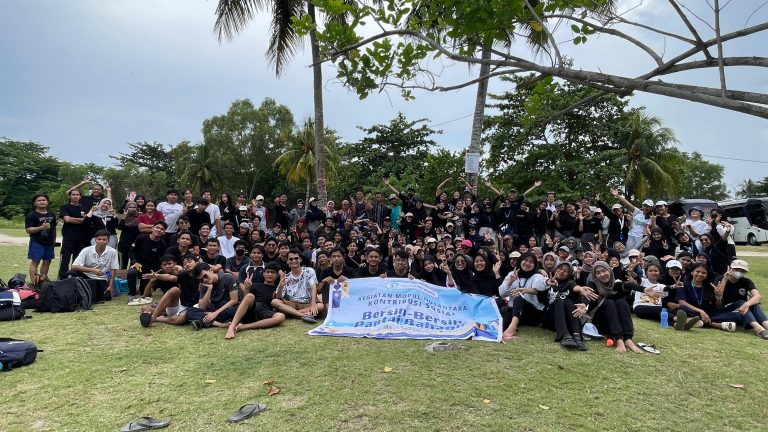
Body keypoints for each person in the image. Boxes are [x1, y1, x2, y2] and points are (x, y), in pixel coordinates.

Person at [225, 262, 286, 339]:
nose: (270, 274)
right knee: (250, 295)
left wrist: (280, 287)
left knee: (281, 316)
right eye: (267, 272)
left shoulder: (277, 288)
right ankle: (232, 326)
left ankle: (243, 327)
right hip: (251, 309)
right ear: (263, 273)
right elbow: (245, 299)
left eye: (273, 272)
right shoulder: (255, 285)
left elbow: (278, 300)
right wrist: (247, 288)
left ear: (277, 275)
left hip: (265, 311)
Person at [139, 253, 200, 328]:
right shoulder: (181, 275)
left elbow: (172, 277)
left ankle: (158, 318)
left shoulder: (185, 273)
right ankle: (155, 316)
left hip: (184, 305)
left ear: (175, 264)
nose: (167, 266)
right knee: (145, 308)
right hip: (172, 304)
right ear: (161, 266)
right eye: (165, 264)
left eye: (169, 263)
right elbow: (146, 295)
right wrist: (152, 280)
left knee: (181, 317)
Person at [499, 252, 549, 342]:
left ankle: (512, 328)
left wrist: (547, 282)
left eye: (531, 262)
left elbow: (540, 283)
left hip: (533, 314)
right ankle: (498, 333)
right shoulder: (513, 274)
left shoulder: (536, 275)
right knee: (505, 316)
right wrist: (510, 282)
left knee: (519, 300)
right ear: (520, 261)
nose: (527, 263)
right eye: (525, 260)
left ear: (535, 265)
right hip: (517, 312)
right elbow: (502, 293)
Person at [713, 260, 768, 339]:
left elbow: (758, 296)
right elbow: (718, 303)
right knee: (742, 302)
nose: (739, 272)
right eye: (737, 269)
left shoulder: (746, 281)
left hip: (742, 310)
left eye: (742, 270)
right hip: (725, 309)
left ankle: (766, 325)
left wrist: (747, 304)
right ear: (730, 268)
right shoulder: (720, 279)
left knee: (753, 303)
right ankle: (759, 329)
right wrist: (725, 280)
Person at [538, 261, 588, 350]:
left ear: (569, 274)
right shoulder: (547, 282)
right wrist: (546, 284)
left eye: (566, 271)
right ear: (556, 269)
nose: (561, 272)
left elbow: (574, 287)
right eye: (560, 269)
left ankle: (577, 336)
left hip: (567, 321)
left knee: (568, 301)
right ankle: (564, 335)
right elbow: (540, 298)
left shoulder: (569, 283)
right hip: (550, 319)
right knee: (558, 301)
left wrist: (580, 288)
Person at [271, 248, 325, 323]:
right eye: (291, 259)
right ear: (287, 262)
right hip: (291, 303)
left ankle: (291, 313)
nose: (293, 261)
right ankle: (302, 315)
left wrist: (313, 304)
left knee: (321, 306)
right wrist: (280, 286)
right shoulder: (286, 276)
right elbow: (279, 297)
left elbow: (313, 288)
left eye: (296, 258)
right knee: (275, 301)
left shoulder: (309, 270)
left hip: (307, 303)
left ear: (300, 260)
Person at [186, 263, 240, 330]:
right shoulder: (203, 285)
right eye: (201, 279)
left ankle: (203, 321)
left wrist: (215, 313)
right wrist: (209, 289)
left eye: (205, 276)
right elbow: (202, 307)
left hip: (227, 307)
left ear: (211, 270)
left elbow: (234, 300)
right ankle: (219, 324)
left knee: (232, 311)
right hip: (215, 307)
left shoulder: (228, 277)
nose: (204, 280)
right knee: (189, 312)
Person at [69, 229, 119, 301]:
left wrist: (110, 286)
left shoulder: (113, 252)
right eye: (99, 239)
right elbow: (74, 266)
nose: (101, 241)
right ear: (95, 240)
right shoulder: (86, 250)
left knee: (106, 297)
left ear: (108, 241)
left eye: (104, 239)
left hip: (102, 278)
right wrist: (92, 270)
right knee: (71, 272)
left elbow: (113, 270)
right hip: (86, 276)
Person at [126, 221, 168, 306]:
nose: (159, 230)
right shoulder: (141, 238)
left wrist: (156, 273)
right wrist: (134, 262)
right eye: (157, 227)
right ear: (152, 228)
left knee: (146, 294)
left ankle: (142, 290)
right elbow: (131, 251)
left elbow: (161, 260)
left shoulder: (163, 245)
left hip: (150, 269)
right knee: (131, 272)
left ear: (164, 233)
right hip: (138, 265)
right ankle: (132, 294)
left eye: (162, 229)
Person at [25, 194, 57, 285]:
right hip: (37, 241)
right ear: (35, 203)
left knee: (47, 261)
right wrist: (41, 227)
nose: (42, 202)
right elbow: (28, 230)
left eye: (44, 200)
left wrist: (54, 240)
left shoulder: (51, 214)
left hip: (49, 242)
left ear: (47, 202)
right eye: (39, 200)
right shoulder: (32, 215)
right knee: (35, 262)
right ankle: (34, 283)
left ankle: (42, 281)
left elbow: (53, 228)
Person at [58, 188, 89, 280]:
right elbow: (67, 220)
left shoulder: (84, 208)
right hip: (68, 237)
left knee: (77, 261)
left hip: (81, 238)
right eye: (73, 194)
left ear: (80, 196)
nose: (75, 196)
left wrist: (73, 219)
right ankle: (62, 279)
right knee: (65, 260)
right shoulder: (65, 207)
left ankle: (74, 279)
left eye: (77, 195)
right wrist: (81, 220)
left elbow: (87, 221)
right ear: (70, 196)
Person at [117, 201, 141, 269]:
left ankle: (132, 278)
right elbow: (119, 227)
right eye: (130, 207)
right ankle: (121, 278)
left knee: (134, 264)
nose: (132, 209)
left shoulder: (139, 217)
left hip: (135, 244)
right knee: (122, 264)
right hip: (124, 243)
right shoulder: (123, 218)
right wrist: (125, 217)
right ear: (127, 208)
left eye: (134, 207)